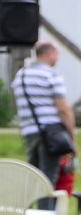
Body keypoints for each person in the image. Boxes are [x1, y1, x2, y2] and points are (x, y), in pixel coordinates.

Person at [10, 40, 75, 186]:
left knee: (33, 179)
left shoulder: (21, 75)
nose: (57, 58)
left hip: (28, 132)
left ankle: (31, 202)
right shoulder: (51, 75)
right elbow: (64, 110)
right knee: (47, 180)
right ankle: (46, 203)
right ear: (50, 53)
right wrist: (72, 140)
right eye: (57, 54)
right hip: (50, 133)